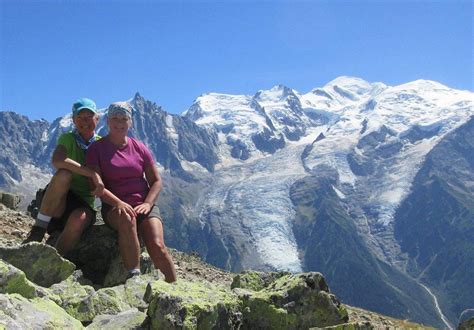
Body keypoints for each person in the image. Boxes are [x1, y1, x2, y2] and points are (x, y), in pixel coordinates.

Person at [85, 102, 177, 282]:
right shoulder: (96, 149)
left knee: (157, 245)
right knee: (127, 218)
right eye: (115, 118)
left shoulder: (139, 147)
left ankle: (175, 288)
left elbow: (156, 181)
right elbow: (95, 186)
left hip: (144, 204)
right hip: (114, 206)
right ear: (108, 121)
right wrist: (118, 203)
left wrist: (148, 203)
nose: (119, 123)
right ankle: (134, 277)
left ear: (130, 122)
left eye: (123, 119)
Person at [23, 98, 104, 256]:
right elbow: (57, 160)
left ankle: (54, 260)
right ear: (73, 120)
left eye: (89, 117)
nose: (84, 121)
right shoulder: (68, 138)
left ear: (97, 119)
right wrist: (91, 173)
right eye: (80, 117)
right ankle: (38, 231)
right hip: (58, 201)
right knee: (63, 174)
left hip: (83, 204)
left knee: (78, 219)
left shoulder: (102, 144)